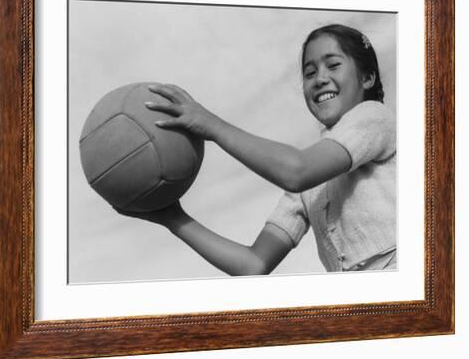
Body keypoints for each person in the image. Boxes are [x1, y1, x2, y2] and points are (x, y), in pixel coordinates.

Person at [116, 24, 396, 275]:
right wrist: (173, 218)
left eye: (333, 65)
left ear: (367, 77)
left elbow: (297, 170)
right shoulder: (309, 189)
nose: (319, 78)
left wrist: (210, 124)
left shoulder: (373, 118)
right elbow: (254, 264)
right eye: (309, 72)